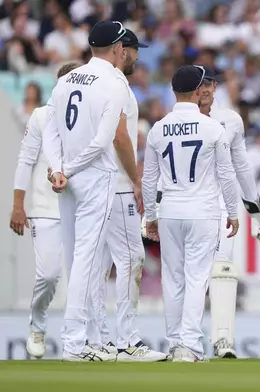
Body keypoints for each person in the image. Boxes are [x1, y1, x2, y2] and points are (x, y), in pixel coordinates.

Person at [43, 20, 139, 362]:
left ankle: (84, 340)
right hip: (95, 176)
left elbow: (50, 131)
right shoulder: (114, 82)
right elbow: (103, 142)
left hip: (67, 180)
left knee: (76, 259)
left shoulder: (66, 79)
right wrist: (65, 169)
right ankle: (76, 343)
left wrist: (58, 169)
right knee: (88, 260)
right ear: (117, 49)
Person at [142, 65, 240, 362]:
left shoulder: (158, 128)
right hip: (203, 211)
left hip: (170, 210)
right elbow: (227, 175)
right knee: (197, 278)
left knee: (173, 279)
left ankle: (174, 343)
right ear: (199, 92)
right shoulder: (213, 128)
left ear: (174, 92)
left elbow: (148, 179)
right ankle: (191, 345)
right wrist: (233, 212)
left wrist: (150, 215)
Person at [88, 29, 168, 362]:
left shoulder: (89, 83)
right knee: (132, 259)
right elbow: (121, 137)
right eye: (134, 51)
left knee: (96, 264)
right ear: (122, 50)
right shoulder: (118, 84)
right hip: (117, 184)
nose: (137, 57)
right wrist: (136, 180)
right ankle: (127, 341)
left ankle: (97, 339)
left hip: (93, 185)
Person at [196, 67, 260, 359]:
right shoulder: (173, 121)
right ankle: (181, 339)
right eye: (198, 84)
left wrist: (257, 214)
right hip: (186, 201)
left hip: (221, 201)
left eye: (208, 84)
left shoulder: (230, 120)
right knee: (187, 274)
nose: (203, 89)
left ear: (215, 87)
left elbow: (242, 167)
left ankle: (223, 340)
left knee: (222, 267)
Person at [9, 62, 80, 359]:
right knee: (50, 275)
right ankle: (37, 325)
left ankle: (79, 338)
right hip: (45, 206)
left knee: (82, 278)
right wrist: (17, 205)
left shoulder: (88, 117)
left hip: (80, 207)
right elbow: (25, 160)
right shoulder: (41, 116)